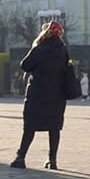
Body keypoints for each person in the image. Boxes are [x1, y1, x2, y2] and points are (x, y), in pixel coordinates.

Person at [10, 21, 68, 170]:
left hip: (38, 92)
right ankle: (52, 160)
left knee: (30, 126)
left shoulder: (40, 48)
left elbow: (25, 65)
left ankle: (20, 157)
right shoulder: (63, 50)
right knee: (54, 127)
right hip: (57, 93)